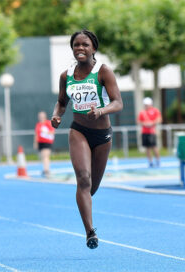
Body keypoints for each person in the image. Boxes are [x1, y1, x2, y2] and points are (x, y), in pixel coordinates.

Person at [51, 30, 123, 249]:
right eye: (76, 45)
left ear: (93, 48)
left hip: (102, 135)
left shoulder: (104, 72)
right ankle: (90, 232)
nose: (80, 48)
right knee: (83, 179)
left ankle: (85, 203)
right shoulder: (66, 75)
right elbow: (62, 102)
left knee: (91, 188)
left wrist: (100, 111)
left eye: (85, 45)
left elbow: (118, 102)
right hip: (79, 130)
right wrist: (57, 115)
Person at [137, 97, 162, 167]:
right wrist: (145, 123)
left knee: (154, 147)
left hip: (152, 132)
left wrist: (152, 123)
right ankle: (150, 162)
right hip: (145, 132)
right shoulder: (142, 112)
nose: (146, 106)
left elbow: (159, 119)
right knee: (147, 148)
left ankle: (158, 160)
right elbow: (139, 121)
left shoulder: (155, 111)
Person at [34, 111, 55, 177]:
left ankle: (46, 170)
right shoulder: (38, 125)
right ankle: (45, 169)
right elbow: (36, 134)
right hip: (40, 143)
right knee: (43, 157)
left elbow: (52, 132)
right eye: (40, 116)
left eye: (42, 116)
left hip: (47, 142)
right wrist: (35, 143)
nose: (41, 118)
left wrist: (45, 132)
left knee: (45, 156)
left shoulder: (48, 123)